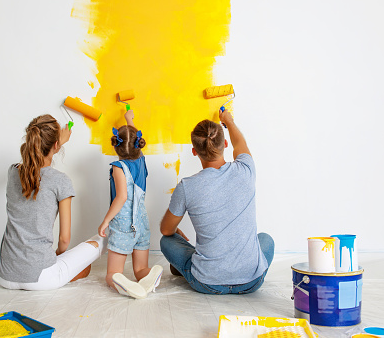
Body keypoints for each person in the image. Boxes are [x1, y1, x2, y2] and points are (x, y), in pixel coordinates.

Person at [160, 108, 274, 294]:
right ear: (226, 144)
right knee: (266, 239)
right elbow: (241, 143)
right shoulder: (246, 169)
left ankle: (188, 269)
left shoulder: (187, 186)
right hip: (252, 281)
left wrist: (174, 232)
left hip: (207, 283)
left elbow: (165, 230)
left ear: (194, 151)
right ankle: (243, 272)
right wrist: (228, 120)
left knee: (167, 241)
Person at [0, 114, 106, 290]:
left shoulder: (12, 172)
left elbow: (31, 166)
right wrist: (58, 259)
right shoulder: (60, 181)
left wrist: (55, 144)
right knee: (100, 243)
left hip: (5, 276)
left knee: (80, 267)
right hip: (41, 279)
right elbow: (64, 239)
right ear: (56, 145)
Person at [98, 110, 163, 299]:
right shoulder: (141, 161)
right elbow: (133, 142)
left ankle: (120, 282)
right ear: (138, 145)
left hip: (124, 226)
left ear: (116, 147)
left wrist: (105, 221)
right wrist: (129, 120)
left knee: (111, 274)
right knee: (140, 268)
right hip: (142, 223)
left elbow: (122, 197)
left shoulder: (118, 167)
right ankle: (149, 274)